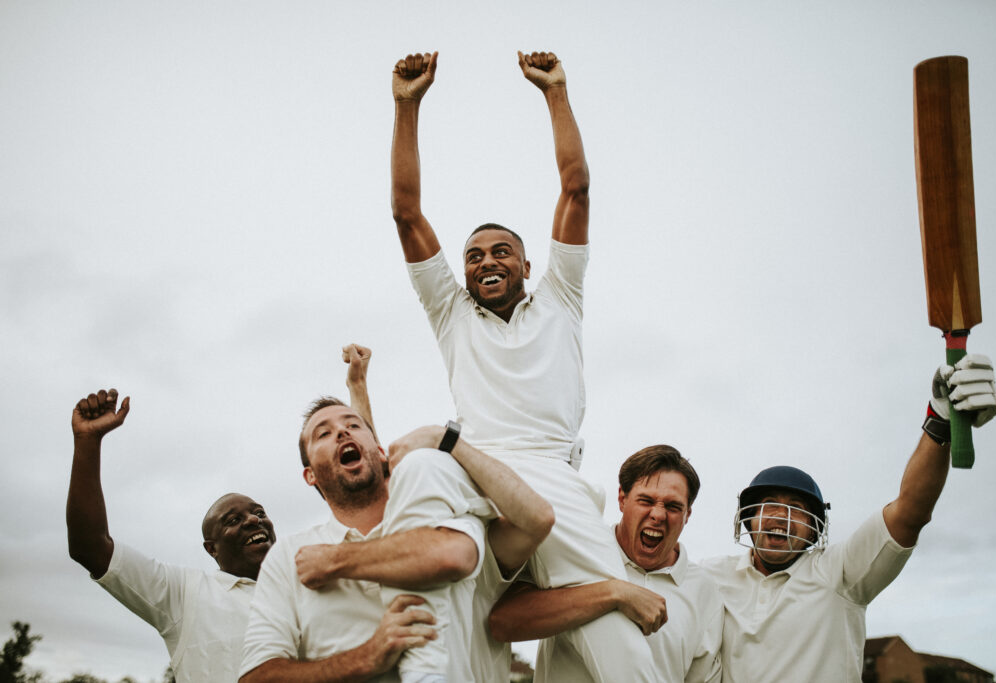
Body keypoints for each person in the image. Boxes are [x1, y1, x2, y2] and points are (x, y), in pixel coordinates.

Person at [391, 50, 660, 682]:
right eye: (475, 255)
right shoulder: (450, 313)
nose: (487, 261)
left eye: (503, 252)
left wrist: (555, 92)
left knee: (613, 643)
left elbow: (576, 187)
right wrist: (407, 105)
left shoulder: (560, 299)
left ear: (526, 265)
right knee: (422, 477)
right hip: (473, 470)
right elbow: (406, 212)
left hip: (548, 475)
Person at [239, 352, 554, 682]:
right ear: (310, 475)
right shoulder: (290, 558)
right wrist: (366, 657)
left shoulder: (450, 523)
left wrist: (447, 440)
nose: (343, 433)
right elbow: (256, 677)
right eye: (323, 433)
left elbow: (536, 519)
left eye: (353, 425)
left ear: (379, 451)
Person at [700, 354, 996, 682]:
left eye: (797, 508)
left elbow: (910, 512)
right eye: (770, 504)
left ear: (815, 530)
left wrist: (940, 422)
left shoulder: (839, 572)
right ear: (749, 518)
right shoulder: (710, 577)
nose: (782, 518)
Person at [66, 388, 277, 683]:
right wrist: (88, 443)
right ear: (211, 548)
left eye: (260, 512)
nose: (254, 520)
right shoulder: (185, 593)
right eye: (234, 520)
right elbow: (89, 547)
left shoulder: (308, 586)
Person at [490, 445, 724, 683]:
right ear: (622, 498)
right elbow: (503, 623)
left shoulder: (705, 591)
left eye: (673, 507)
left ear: (688, 514)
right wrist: (614, 593)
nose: (658, 515)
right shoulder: (576, 548)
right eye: (646, 500)